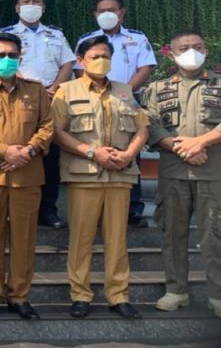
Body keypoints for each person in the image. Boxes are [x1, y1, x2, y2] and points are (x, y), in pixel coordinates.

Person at [52, 35, 149, 319]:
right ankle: (80, 294)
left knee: (117, 239)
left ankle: (118, 295)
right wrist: (92, 153)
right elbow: (57, 132)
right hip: (84, 174)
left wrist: (129, 154)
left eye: (106, 54)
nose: (101, 60)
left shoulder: (123, 90)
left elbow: (142, 127)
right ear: (80, 61)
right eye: (94, 56)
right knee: (81, 238)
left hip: (120, 173)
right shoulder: (66, 91)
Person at [145, 30, 221, 319]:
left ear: (206, 51)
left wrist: (201, 142)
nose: (192, 52)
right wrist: (180, 146)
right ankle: (176, 291)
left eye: (198, 47)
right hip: (174, 173)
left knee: (216, 236)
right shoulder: (157, 88)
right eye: (184, 48)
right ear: (172, 54)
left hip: (214, 173)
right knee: (172, 235)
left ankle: (219, 295)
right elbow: (149, 123)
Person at [0, 32, 54, 320]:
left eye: (12, 56)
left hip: (27, 175)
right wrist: (4, 151)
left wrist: (26, 152)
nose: (6, 60)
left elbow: (47, 126)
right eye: (0, 55)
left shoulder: (36, 91)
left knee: (24, 239)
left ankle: (19, 295)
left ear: (20, 59)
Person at [75, 0, 157, 227]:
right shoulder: (86, 40)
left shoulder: (137, 38)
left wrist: (124, 91)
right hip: (93, 99)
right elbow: (79, 69)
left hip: (126, 98)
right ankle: (99, 206)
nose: (107, 14)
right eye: (102, 11)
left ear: (121, 13)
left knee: (131, 150)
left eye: (112, 10)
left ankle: (132, 208)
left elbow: (145, 67)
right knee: (97, 146)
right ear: (95, 14)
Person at [0, 0, 75, 229]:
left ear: (43, 7)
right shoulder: (7, 33)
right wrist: (30, 89)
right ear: (17, 7)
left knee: (48, 156)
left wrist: (53, 88)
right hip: (19, 99)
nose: (31, 4)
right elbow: (7, 63)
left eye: (36, 1)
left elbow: (67, 63)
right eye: (26, 0)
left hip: (52, 99)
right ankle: (16, 210)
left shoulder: (55, 34)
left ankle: (48, 211)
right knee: (20, 152)